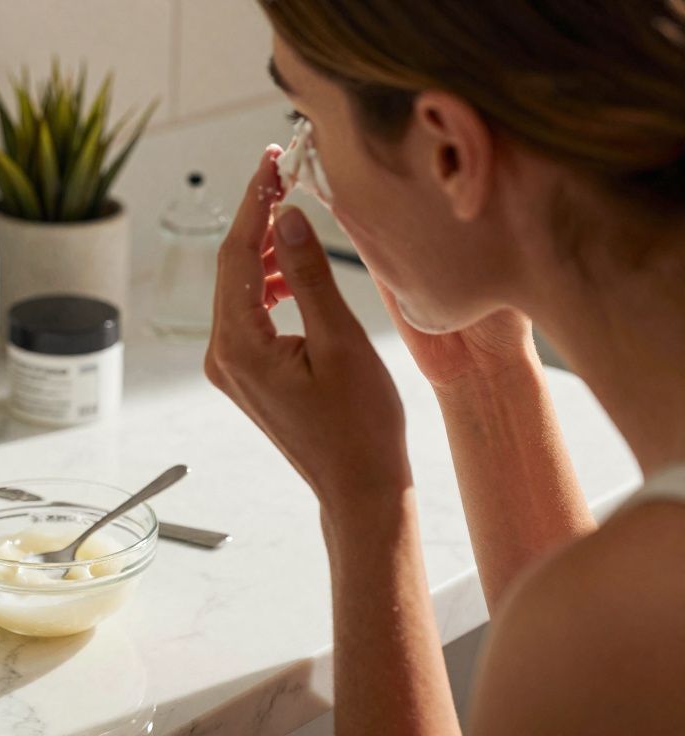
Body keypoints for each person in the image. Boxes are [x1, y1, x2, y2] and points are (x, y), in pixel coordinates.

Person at [205, 1, 685, 733]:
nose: (305, 176)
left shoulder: (628, 630)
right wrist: (482, 383)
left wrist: (364, 503)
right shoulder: (624, 608)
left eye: (309, 127)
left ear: (450, 153)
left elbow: (599, 649)